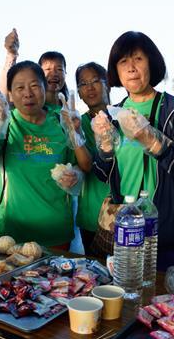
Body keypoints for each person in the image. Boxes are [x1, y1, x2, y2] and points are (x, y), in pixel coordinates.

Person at [92, 31, 174, 269]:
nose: (131, 68)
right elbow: (102, 174)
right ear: (116, 71)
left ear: (152, 62)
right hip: (124, 231)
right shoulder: (112, 114)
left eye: (138, 59)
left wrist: (151, 141)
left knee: (163, 302)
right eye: (123, 62)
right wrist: (105, 148)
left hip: (165, 233)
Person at [0, 61, 92, 249]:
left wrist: (75, 175)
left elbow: (82, 165)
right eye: (19, 87)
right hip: (14, 232)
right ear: (10, 94)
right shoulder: (7, 123)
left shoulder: (61, 120)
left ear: (45, 88)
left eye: (35, 86)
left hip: (56, 230)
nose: (28, 93)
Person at [74, 62, 111, 253]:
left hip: (123, 215)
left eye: (95, 81)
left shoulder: (123, 117)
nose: (90, 88)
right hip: (91, 217)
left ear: (108, 84)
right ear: (79, 93)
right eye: (83, 84)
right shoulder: (76, 123)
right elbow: (85, 165)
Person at [0, 29, 69, 114]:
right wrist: (11, 55)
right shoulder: (30, 104)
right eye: (48, 69)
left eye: (59, 69)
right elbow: (3, 100)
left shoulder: (68, 109)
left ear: (65, 73)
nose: (53, 74)